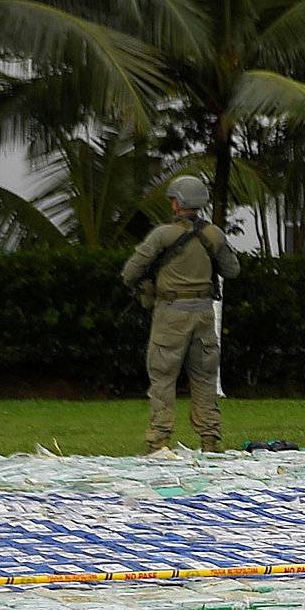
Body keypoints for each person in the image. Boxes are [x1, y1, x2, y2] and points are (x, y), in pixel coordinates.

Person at [121, 175, 239, 455]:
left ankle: (158, 441)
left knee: (162, 378)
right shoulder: (214, 235)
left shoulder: (163, 235)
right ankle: (210, 440)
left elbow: (130, 273)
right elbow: (232, 270)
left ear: (177, 202)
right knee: (205, 378)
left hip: (171, 314)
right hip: (203, 314)